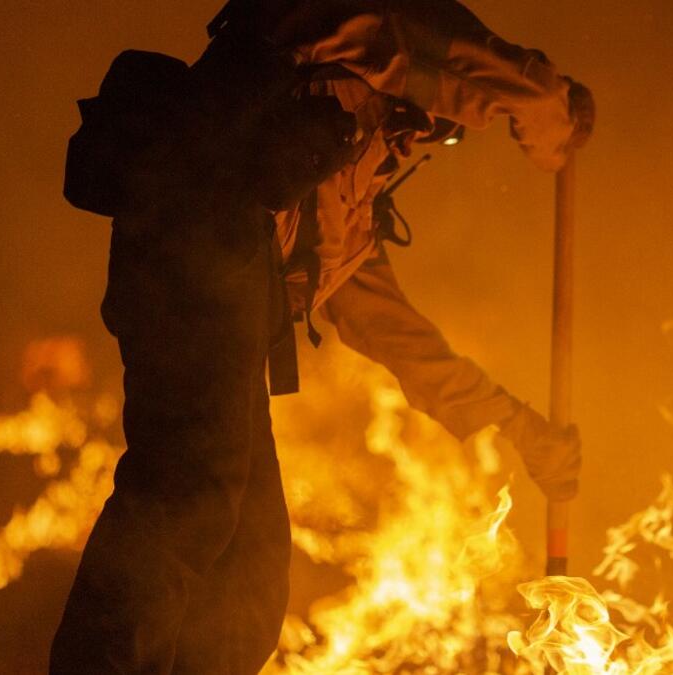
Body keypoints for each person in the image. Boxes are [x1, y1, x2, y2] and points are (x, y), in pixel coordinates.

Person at [50, 1, 593, 672]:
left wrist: (519, 428)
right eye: (441, 125)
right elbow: (420, 41)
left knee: (251, 569)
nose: (428, 137)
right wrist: (547, 106)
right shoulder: (334, 26)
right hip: (193, 252)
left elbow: (390, 328)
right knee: (189, 497)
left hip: (234, 299)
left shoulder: (345, 175)